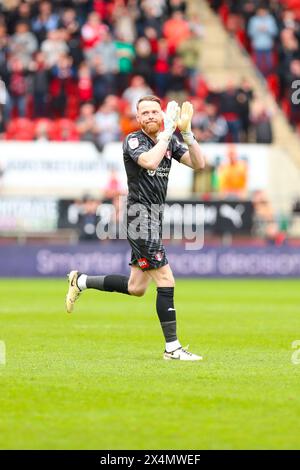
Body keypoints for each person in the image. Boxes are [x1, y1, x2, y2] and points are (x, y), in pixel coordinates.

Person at [66, 95, 206, 361]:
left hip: (154, 216)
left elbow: (199, 164)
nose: (151, 116)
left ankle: (80, 281)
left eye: (155, 111)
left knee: (136, 287)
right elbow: (150, 162)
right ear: (138, 118)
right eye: (146, 113)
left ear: (162, 114)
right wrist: (167, 132)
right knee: (166, 280)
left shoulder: (170, 140)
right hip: (138, 218)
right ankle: (172, 348)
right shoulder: (134, 140)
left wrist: (187, 133)